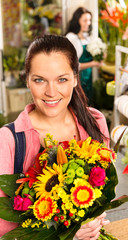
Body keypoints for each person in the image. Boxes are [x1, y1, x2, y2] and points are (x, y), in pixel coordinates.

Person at [0, 34, 110, 239]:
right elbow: (5, 230)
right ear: (27, 81)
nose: (51, 92)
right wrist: (67, 235)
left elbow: (103, 189)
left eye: (62, 79)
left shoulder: (95, 122)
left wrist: (95, 219)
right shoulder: (9, 140)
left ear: (76, 78)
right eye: (40, 80)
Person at [66, 7, 103, 104]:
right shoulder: (71, 38)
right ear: (77, 21)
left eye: (89, 20)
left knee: (87, 102)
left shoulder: (87, 37)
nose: (89, 23)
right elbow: (71, 65)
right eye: (85, 20)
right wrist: (93, 64)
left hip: (88, 79)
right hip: (78, 79)